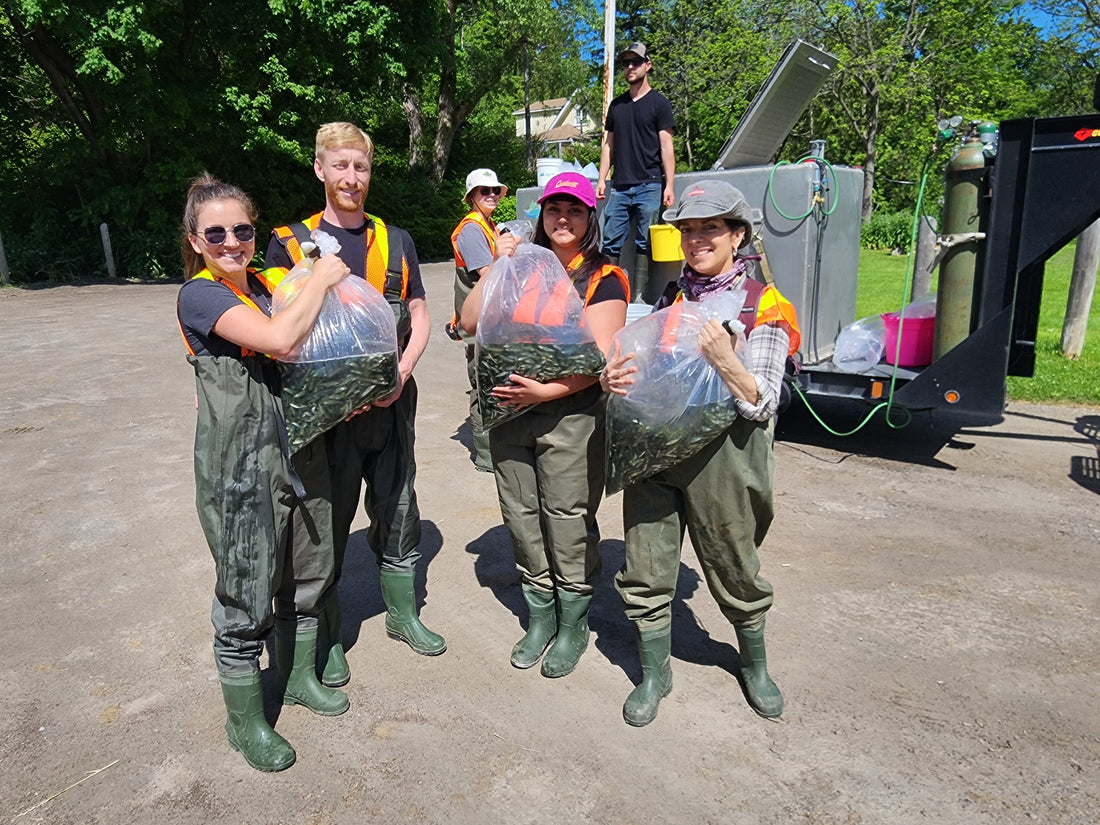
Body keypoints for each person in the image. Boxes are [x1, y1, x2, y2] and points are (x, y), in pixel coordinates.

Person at [601, 180, 800, 726]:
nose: (696, 240)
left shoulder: (767, 306)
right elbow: (651, 379)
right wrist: (618, 376)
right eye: (688, 230)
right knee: (644, 567)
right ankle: (654, 673)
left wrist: (725, 360)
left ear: (737, 235)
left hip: (725, 459)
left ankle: (754, 666)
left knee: (735, 564)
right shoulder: (669, 301)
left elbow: (761, 405)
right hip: (657, 455)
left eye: (710, 228)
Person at [176, 173, 352, 771]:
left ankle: (298, 677)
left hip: (299, 450)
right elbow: (280, 338)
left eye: (242, 229)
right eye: (216, 232)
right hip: (240, 466)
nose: (232, 241)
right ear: (196, 240)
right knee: (246, 591)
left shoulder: (266, 281)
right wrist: (323, 279)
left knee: (309, 571)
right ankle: (245, 720)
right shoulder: (201, 296)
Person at [265, 122, 446, 690]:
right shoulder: (288, 242)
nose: (351, 178)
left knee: (398, 506)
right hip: (326, 417)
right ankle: (329, 631)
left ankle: (402, 614)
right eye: (340, 166)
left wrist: (403, 369)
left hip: (392, 402)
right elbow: (280, 329)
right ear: (319, 170)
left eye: (361, 167)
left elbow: (418, 312)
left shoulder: (396, 240)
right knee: (326, 522)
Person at [460, 172, 629, 677]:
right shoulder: (520, 268)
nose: (563, 218)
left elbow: (597, 355)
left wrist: (544, 391)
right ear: (541, 215)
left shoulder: (604, 277)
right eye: (554, 208)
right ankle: (540, 615)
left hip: (571, 415)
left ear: (589, 218)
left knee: (567, 516)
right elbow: (469, 322)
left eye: (575, 210)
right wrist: (498, 265)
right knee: (520, 513)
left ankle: (573, 622)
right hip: (511, 412)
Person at [595, 41, 676, 304]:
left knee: (645, 242)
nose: (630, 67)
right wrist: (602, 179)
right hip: (619, 186)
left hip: (651, 185)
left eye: (636, 62)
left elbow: (666, 146)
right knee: (610, 241)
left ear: (647, 66)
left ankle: (640, 298)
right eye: (626, 63)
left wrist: (670, 185)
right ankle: (608, 294)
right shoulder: (617, 106)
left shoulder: (659, 104)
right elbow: (609, 145)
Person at [447, 168, 509, 472]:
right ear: (472, 196)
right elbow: (488, 274)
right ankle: (486, 455)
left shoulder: (488, 225)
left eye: (495, 190)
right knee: (482, 381)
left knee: (493, 377)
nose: (492, 196)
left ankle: (495, 447)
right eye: (485, 191)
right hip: (479, 318)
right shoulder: (472, 229)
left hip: (489, 315)